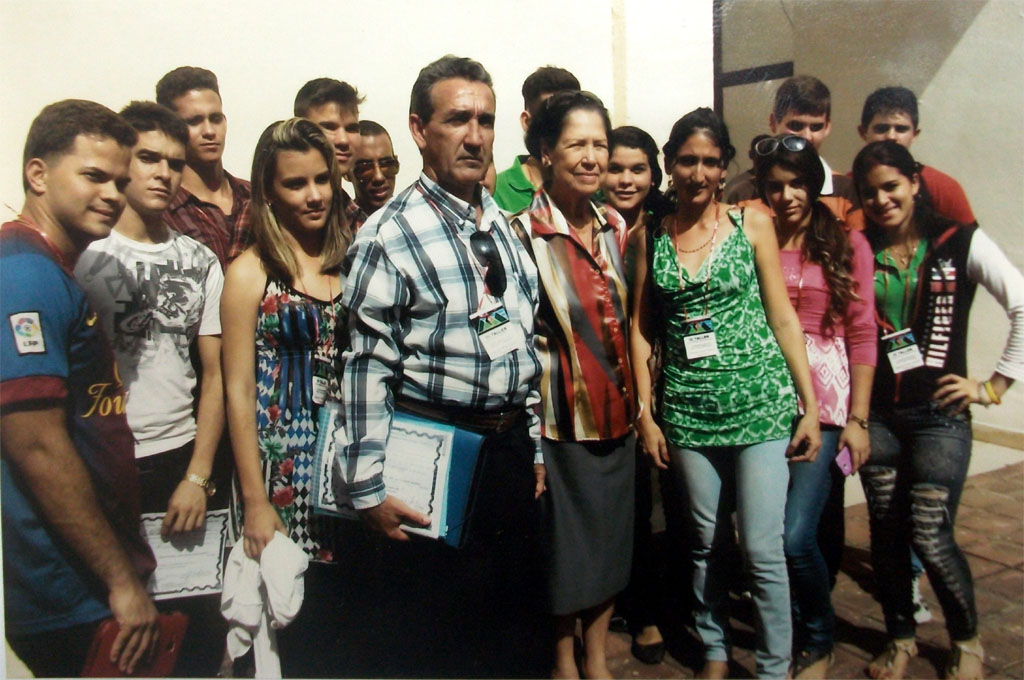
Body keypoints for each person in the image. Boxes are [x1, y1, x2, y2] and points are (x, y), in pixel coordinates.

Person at [338, 54, 547, 677]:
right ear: (418, 128)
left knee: (515, 636)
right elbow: (365, 370)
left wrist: (532, 444)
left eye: (484, 119)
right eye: (457, 119)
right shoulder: (387, 236)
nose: (475, 136)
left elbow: (520, 344)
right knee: (443, 642)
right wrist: (368, 487)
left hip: (508, 456)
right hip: (434, 457)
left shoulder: (503, 226)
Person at [631, 108, 822, 679]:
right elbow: (643, 329)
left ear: (723, 168)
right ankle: (714, 649)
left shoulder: (752, 224)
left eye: (711, 161)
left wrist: (809, 405)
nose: (698, 172)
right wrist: (646, 413)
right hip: (688, 408)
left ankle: (771, 666)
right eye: (687, 160)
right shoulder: (649, 237)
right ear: (669, 164)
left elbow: (782, 316)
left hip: (759, 402)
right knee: (704, 542)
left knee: (762, 548)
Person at [852, 141, 1024, 680]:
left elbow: (1021, 301)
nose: (882, 200)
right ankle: (900, 637)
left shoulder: (958, 241)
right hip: (878, 415)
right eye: (871, 191)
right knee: (884, 527)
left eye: (892, 187)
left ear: (915, 183)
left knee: (928, 530)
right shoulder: (856, 246)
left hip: (939, 417)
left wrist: (992, 388)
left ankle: (965, 641)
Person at [1, 99, 157, 677]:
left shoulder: (52, 269)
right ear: (37, 174)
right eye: (93, 176)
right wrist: (120, 583)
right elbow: (35, 445)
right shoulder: (24, 274)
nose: (114, 195)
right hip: (71, 594)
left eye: (121, 180)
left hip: (89, 586)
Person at [73, 101, 227, 677]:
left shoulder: (200, 258)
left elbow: (214, 375)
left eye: (175, 162)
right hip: (102, 464)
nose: (164, 173)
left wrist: (198, 473)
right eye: (148, 159)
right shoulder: (84, 253)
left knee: (192, 637)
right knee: (115, 644)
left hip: (178, 462)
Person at [508, 91, 633, 680]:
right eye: (577, 144)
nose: (591, 157)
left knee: (612, 542)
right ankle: (563, 656)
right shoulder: (520, 235)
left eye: (600, 144)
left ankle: (598, 654)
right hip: (559, 420)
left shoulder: (618, 227)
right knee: (564, 550)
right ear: (547, 153)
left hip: (620, 417)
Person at [221, 117, 353, 676]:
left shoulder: (355, 258)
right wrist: (254, 500)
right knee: (294, 623)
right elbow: (237, 389)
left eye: (322, 179)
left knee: (350, 612)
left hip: (347, 460)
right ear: (268, 191)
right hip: (281, 470)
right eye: (296, 183)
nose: (315, 194)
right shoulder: (252, 272)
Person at [752, 134, 877, 678]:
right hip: (764, 397)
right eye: (775, 186)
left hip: (824, 403)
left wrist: (858, 420)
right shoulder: (752, 237)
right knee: (765, 530)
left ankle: (820, 638)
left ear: (815, 184)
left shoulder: (849, 244)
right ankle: (794, 625)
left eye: (798, 183)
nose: (787, 196)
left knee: (796, 533)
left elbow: (864, 333)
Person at [601, 124, 673, 665]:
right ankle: (630, 604)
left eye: (637, 169)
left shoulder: (670, 227)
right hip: (606, 384)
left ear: (654, 173)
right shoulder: (591, 225)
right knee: (624, 503)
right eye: (616, 167)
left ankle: (654, 608)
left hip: (666, 380)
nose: (625, 179)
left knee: (660, 504)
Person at [726, 75, 863, 232]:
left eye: (816, 127)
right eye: (796, 125)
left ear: (827, 127)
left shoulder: (845, 190)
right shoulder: (743, 194)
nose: (806, 136)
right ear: (773, 122)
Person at [156, 66, 251, 266]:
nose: (209, 131)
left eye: (215, 119)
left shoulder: (256, 195)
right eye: (194, 121)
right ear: (170, 129)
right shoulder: (164, 210)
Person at [858, 86, 976, 225]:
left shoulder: (942, 187)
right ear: (863, 132)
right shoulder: (846, 187)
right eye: (882, 128)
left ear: (915, 134)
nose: (891, 136)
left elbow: (970, 240)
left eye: (901, 129)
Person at [493, 65, 580, 213]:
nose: (561, 126)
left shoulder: (592, 186)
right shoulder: (497, 192)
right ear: (526, 122)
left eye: (569, 115)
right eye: (548, 116)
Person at [349, 119, 399, 223]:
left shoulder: (416, 218)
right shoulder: (338, 230)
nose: (379, 177)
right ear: (347, 174)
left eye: (386, 164)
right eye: (366, 168)